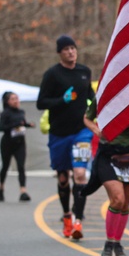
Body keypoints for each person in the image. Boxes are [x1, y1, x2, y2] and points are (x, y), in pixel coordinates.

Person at [37, 35, 96, 240]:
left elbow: (90, 96)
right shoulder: (52, 74)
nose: (71, 52)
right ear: (59, 53)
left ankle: (78, 222)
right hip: (59, 133)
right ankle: (66, 216)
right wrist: (62, 100)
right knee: (64, 178)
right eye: (66, 49)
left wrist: (100, 109)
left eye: (73, 48)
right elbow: (41, 102)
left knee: (80, 174)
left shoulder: (84, 72)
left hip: (82, 131)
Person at [83, 101, 129, 256]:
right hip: (107, 154)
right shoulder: (102, 96)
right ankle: (109, 242)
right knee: (117, 199)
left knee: (125, 203)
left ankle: (117, 242)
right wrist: (96, 130)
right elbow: (87, 118)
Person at [0, 91, 35, 202]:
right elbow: (1, 128)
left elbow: (22, 123)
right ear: (8, 101)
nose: (16, 101)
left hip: (20, 143)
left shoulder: (21, 112)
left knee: (21, 166)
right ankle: (1, 187)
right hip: (7, 143)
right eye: (13, 99)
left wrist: (29, 125)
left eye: (17, 98)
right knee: (5, 166)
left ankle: (23, 191)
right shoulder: (5, 113)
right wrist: (16, 125)